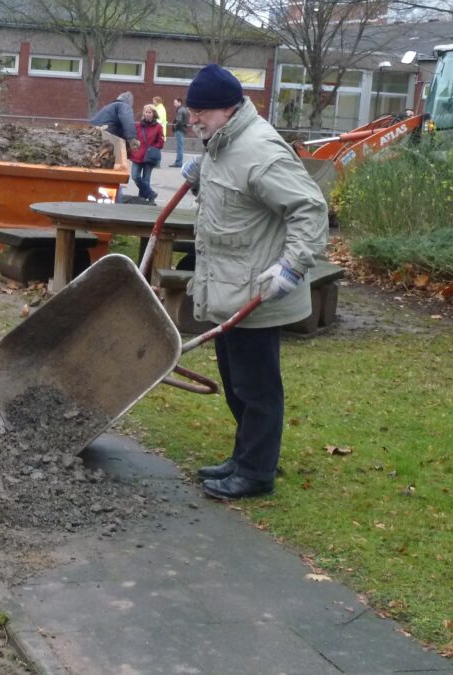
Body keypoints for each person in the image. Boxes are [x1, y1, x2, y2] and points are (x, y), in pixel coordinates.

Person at [180, 64, 328, 500]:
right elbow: (233, 204)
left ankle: (257, 473)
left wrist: (293, 266)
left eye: (201, 112)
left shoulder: (260, 150)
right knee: (236, 382)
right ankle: (245, 458)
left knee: (257, 388)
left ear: (229, 108)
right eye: (191, 112)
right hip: (229, 289)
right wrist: (199, 176)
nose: (194, 121)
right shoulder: (223, 144)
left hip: (259, 292)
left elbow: (310, 209)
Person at [128, 104, 164, 202]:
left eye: (150, 112)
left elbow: (161, 142)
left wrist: (152, 148)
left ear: (153, 114)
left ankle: (143, 198)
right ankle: (150, 193)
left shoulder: (158, 127)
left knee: (146, 179)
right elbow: (133, 138)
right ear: (143, 113)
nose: (147, 114)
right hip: (137, 155)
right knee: (135, 176)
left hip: (149, 156)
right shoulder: (138, 126)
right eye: (146, 112)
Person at [170, 97, 189, 166]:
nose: (174, 104)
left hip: (179, 129)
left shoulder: (180, 110)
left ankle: (178, 162)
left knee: (179, 147)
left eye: (175, 103)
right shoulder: (183, 109)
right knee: (180, 146)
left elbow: (179, 120)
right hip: (182, 129)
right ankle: (178, 162)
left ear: (179, 102)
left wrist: (174, 126)